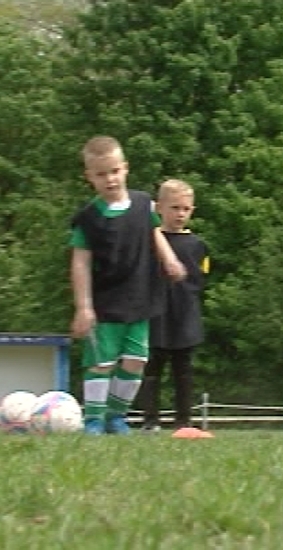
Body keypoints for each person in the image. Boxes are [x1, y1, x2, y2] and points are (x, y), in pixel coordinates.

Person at [70, 136, 186, 435]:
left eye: (114, 171)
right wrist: (83, 307)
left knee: (136, 360)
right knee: (102, 362)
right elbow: (80, 262)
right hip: (105, 301)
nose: (109, 179)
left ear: (125, 169)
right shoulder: (88, 219)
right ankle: (93, 420)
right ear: (89, 177)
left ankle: (116, 417)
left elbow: (154, 232)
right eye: (100, 174)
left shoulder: (142, 203)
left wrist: (169, 259)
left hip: (140, 295)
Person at [138, 179, 209, 433]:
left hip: (185, 315)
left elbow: (200, 280)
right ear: (159, 208)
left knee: (183, 371)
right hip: (156, 314)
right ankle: (150, 419)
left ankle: (184, 420)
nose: (180, 214)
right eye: (174, 208)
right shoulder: (151, 241)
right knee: (152, 369)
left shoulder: (198, 245)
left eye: (185, 209)